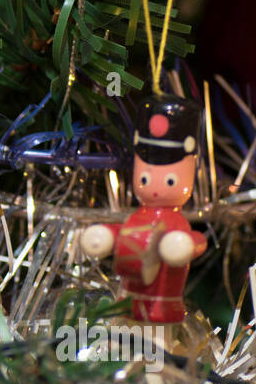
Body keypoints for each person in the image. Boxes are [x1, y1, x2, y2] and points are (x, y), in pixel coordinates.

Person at [80, 94, 208, 323]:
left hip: (164, 306)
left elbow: (197, 241)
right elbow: (126, 234)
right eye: (145, 179)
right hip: (128, 302)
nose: (156, 189)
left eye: (170, 181)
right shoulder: (140, 216)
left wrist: (186, 245)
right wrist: (105, 235)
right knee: (123, 348)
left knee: (158, 351)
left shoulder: (176, 223)